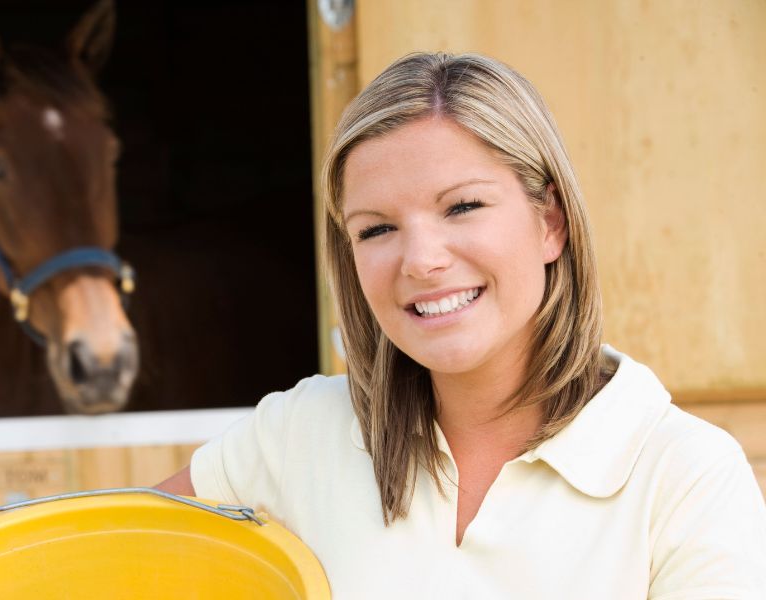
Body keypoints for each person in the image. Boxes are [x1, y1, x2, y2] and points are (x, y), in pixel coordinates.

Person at [155, 52, 766, 598]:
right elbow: (94, 555)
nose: (421, 260)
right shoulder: (296, 435)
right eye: (377, 228)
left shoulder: (685, 476)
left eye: (463, 207)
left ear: (549, 221)